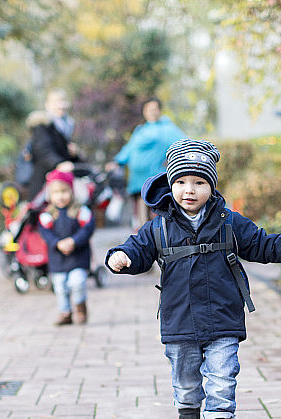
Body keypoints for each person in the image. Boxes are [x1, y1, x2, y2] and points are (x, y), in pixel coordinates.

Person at [105, 139, 281, 419]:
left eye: (199, 182)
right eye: (181, 182)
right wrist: (121, 256)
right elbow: (138, 249)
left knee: (223, 370)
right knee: (184, 373)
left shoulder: (229, 222)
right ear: (170, 184)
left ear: (212, 187)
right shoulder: (159, 227)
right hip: (180, 317)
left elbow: (260, 243)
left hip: (223, 313)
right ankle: (188, 413)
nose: (189, 190)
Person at [108, 97, 185, 228]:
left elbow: (184, 144)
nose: (152, 112)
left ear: (159, 111)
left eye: (154, 109)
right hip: (138, 180)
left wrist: (172, 159)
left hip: (156, 179)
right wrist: (117, 161)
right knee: (141, 217)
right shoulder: (140, 129)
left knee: (158, 215)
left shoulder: (167, 128)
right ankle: (145, 238)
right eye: (148, 109)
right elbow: (130, 148)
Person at [39, 169, 95, 325]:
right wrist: (57, 243)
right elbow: (46, 233)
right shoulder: (47, 215)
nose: (60, 196)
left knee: (77, 283)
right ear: (50, 195)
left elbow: (87, 229)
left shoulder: (81, 211)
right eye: (56, 193)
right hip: (58, 259)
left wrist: (74, 241)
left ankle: (80, 307)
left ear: (71, 191)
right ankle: (65, 312)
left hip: (78, 257)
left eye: (64, 192)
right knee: (60, 286)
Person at [26, 88, 81, 201]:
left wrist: (75, 154)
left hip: (63, 181)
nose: (61, 105)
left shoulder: (67, 126)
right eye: (56, 102)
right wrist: (59, 163)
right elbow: (43, 150)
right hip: (44, 181)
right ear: (48, 105)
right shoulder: (42, 125)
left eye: (63, 101)